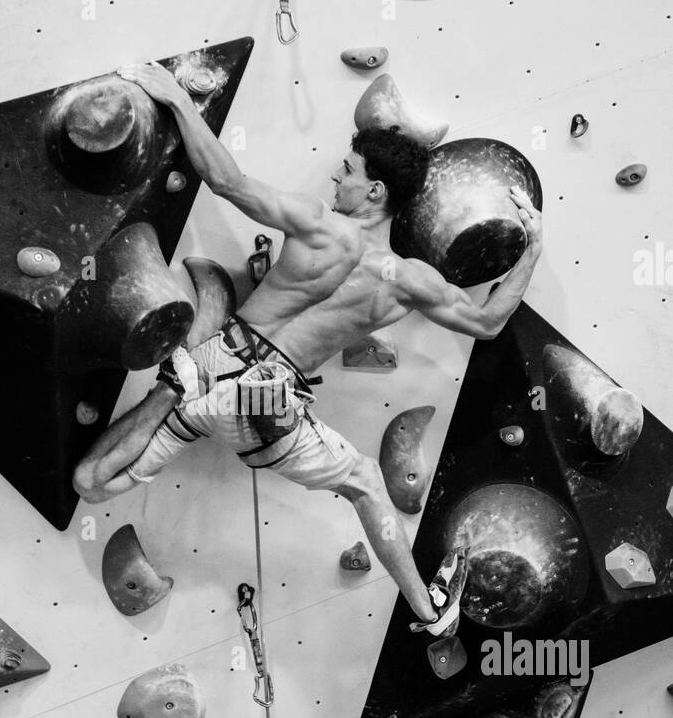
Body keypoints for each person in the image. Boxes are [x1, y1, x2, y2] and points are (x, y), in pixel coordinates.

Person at [75, 62, 543, 633]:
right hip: (267, 408)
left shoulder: (318, 224)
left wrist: (177, 98)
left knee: (92, 482)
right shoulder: (409, 280)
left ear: (375, 189)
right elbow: (490, 321)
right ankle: (430, 611)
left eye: (346, 171)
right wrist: (533, 248)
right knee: (367, 485)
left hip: (219, 359)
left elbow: (226, 180)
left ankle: (180, 387)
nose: (335, 180)